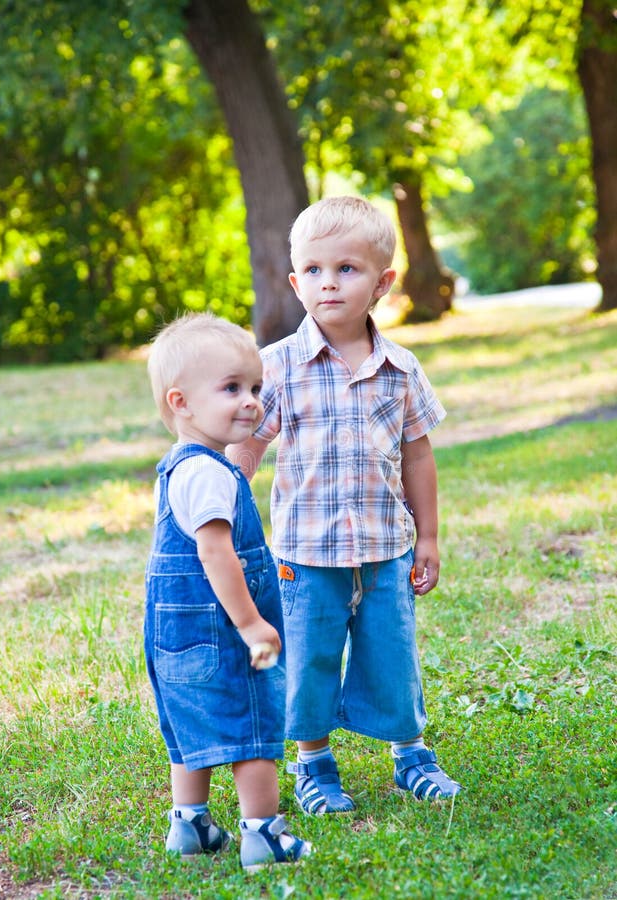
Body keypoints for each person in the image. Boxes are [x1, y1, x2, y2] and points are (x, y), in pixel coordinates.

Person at [228, 196, 461, 815]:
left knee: (392, 652)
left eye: (347, 269)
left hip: (387, 547)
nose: (327, 282)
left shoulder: (401, 369)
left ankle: (410, 755)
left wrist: (429, 536)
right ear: (295, 280)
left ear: (382, 283)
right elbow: (250, 446)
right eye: (313, 270)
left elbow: (418, 456)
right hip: (306, 554)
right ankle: (314, 764)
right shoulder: (276, 366)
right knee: (309, 657)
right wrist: (224, 490)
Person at [144, 313, 311, 869]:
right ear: (181, 402)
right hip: (222, 628)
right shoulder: (210, 473)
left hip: (176, 635)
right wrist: (249, 623)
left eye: (256, 388)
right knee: (255, 724)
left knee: (191, 723)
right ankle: (263, 836)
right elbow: (216, 553)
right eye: (232, 388)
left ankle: (189, 826)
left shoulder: (178, 468)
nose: (251, 401)